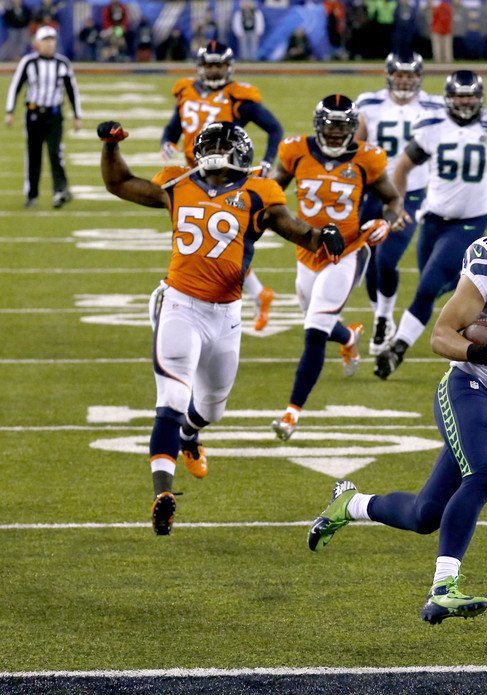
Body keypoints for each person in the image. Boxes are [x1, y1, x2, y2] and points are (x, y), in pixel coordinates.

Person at [306, 181, 487, 624]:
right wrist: (480, 352)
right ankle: (443, 589)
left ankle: (350, 505)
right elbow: (442, 335)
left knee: (426, 515)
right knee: (486, 473)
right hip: (469, 387)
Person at [96, 119, 347, 535]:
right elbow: (118, 182)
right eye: (211, 148)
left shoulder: (259, 192)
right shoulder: (178, 183)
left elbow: (297, 230)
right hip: (179, 305)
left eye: (220, 148)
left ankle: (189, 436)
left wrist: (324, 235)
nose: (215, 157)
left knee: (212, 407)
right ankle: (163, 493)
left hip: (226, 315)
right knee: (171, 399)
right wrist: (109, 146)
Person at [269, 95, 405, 441]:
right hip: (307, 251)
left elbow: (393, 199)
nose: (335, 132)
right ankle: (348, 336)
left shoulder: (366, 157)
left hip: (346, 252)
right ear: (318, 125)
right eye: (330, 125)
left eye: (342, 126)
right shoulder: (296, 151)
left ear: (353, 127)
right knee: (317, 320)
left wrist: (386, 221)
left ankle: (291, 413)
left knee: (314, 330)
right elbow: (270, 191)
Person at [374, 69, 487, 380]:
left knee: (427, 288)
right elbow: (402, 167)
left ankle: (397, 349)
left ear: (480, 98)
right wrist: (398, 205)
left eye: (470, 96)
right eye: (460, 96)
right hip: (432, 220)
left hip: (468, 223)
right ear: (448, 98)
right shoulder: (433, 127)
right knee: (441, 285)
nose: (465, 102)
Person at [160, 40, 284, 331]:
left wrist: (268, 160)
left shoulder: (237, 96)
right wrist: (168, 141)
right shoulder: (186, 90)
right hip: (196, 174)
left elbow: (274, 128)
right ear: (200, 67)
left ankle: (246, 297)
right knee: (211, 240)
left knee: (221, 239)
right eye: (210, 65)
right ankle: (259, 294)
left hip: (226, 177)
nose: (214, 70)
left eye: (219, 65)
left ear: (228, 67)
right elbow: (175, 125)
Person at [355, 51, 444, 357]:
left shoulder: (435, 106)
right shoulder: (369, 104)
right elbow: (357, 146)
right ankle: (382, 315)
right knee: (369, 260)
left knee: (387, 258)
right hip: (374, 190)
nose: (404, 81)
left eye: (410, 75)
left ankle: (382, 318)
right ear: (390, 75)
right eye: (400, 75)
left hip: (412, 192)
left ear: (419, 78)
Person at [5, 26, 81, 209]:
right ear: (37, 43)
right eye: (45, 40)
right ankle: (32, 195)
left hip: (54, 114)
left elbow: (72, 90)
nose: (49, 44)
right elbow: (16, 86)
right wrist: (10, 111)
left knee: (56, 153)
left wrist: (77, 115)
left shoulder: (62, 63)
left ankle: (59, 191)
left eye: (52, 40)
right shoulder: (28, 62)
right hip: (33, 115)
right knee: (34, 155)